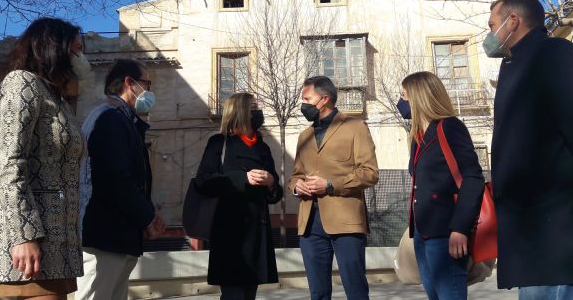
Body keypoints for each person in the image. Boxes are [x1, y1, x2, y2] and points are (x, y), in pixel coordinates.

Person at [486, 0, 573, 299]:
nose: (489, 34)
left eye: (493, 24)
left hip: (558, 231)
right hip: (533, 232)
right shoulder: (517, 63)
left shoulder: (554, 54)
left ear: (513, 21)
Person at [0, 17, 90, 299]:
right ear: (54, 48)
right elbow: (9, 162)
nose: (81, 57)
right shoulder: (21, 83)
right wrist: (24, 235)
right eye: (76, 49)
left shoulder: (58, 99)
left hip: (58, 249)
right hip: (29, 252)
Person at [75, 59, 165, 300]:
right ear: (130, 83)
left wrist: (145, 216)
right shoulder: (109, 118)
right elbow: (115, 179)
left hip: (117, 236)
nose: (150, 91)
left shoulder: (122, 120)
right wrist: (146, 217)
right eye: (147, 83)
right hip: (104, 237)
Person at [288, 76, 378, 300]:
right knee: (317, 292)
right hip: (310, 224)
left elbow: (370, 173)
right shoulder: (304, 136)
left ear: (325, 99)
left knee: (355, 288)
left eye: (307, 99)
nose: (304, 104)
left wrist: (330, 185)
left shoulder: (355, 127)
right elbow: (296, 174)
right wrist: (296, 185)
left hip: (346, 221)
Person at [399, 71, 484, 300]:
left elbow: (473, 178)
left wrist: (460, 228)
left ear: (419, 97)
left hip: (446, 232)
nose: (401, 102)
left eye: (404, 96)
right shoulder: (418, 136)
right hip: (422, 232)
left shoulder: (450, 127)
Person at [194, 92, 283, 300]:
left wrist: (270, 182)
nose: (258, 112)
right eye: (253, 108)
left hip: (257, 232)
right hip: (229, 233)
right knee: (233, 294)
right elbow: (204, 181)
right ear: (240, 111)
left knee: (249, 294)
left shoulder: (263, 147)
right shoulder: (220, 143)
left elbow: (275, 194)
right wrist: (243, 178)